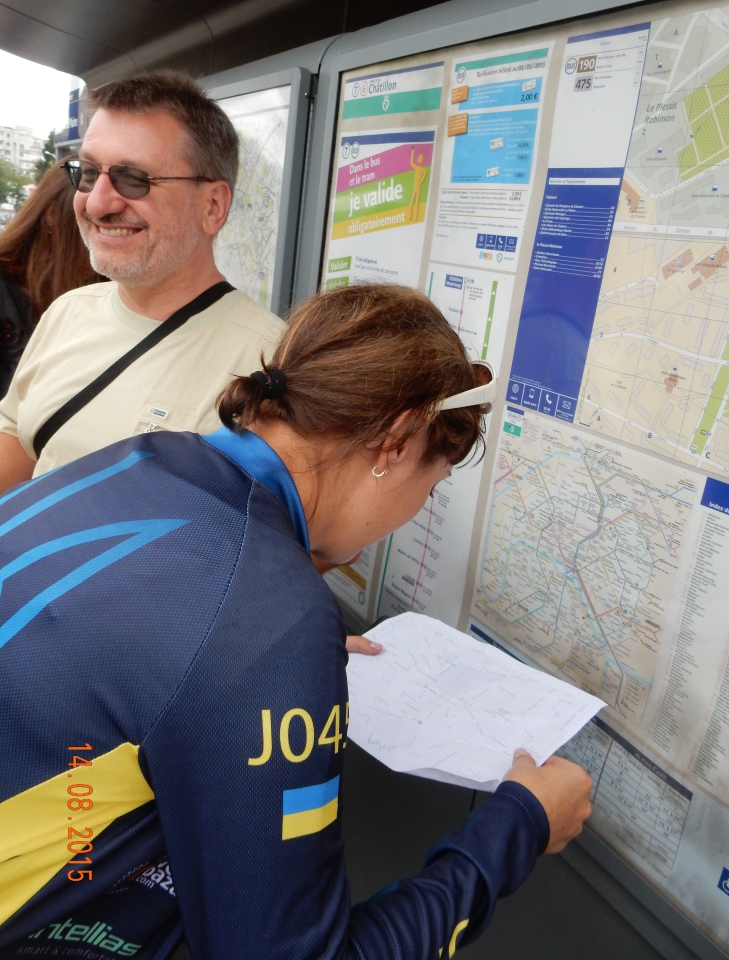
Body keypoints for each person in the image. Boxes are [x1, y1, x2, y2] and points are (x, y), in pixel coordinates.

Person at [0, 283, 592, 960]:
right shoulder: (265, 617)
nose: (414, 511)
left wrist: (257, 663)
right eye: (430, 487)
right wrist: (517, 827)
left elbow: (127, 638)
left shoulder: (147, 458)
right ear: (397, 441)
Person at [0, 71, 285, 493]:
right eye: (89, 173)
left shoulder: (273, 363)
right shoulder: (67, 311)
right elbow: (16, 444)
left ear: (212, 206)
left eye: (134, 178)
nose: (97, 203)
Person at [0, 155, 99, 398]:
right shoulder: (6, 289)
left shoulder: (107, 291)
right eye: (92, 218)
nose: (105, 235)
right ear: (53, 214)